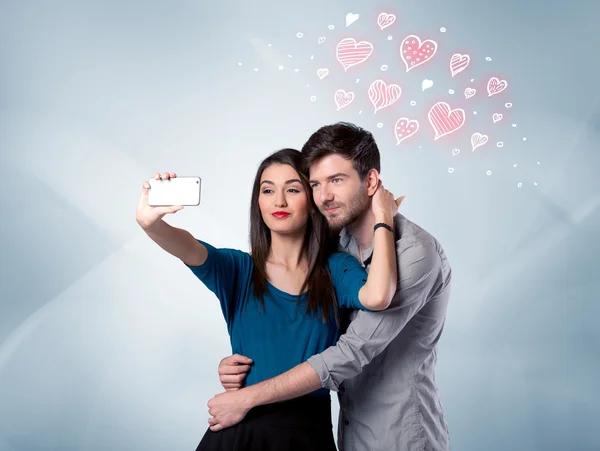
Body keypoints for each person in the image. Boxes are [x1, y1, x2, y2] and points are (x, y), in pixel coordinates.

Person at [135, 148, 403, 451]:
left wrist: (383, 217)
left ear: (313, 200)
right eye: (267, 190)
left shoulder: (337, 269)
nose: (279, 201)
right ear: (257, 202)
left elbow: (379, 295)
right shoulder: (238, 269)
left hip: (309, 434)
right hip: (240, 434)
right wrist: (150, 223)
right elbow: (186, 246)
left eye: (292, 189)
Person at [208, 122, 452, 451]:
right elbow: (307, 327)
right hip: (348, 433)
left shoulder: (413, 252)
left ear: (371, 181)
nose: (324, 196)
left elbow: (350, 352)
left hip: (400, 436)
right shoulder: (338, 249)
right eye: (316, 184)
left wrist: (249, 397)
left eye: (336, 180)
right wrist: (248, 364)